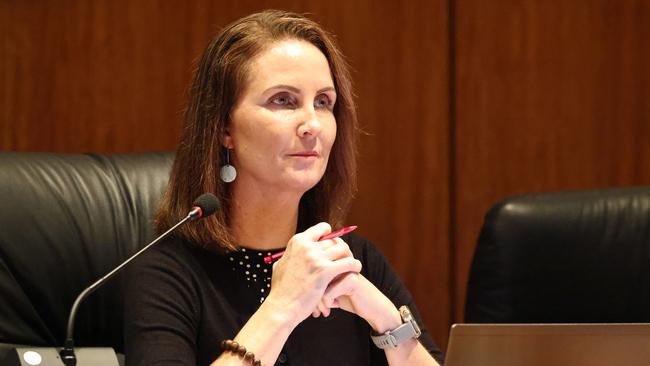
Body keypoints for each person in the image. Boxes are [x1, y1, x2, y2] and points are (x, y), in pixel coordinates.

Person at [124, 9, 444, 366]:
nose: (312, 124)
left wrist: (384, 319)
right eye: (283, 100)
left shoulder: (354, 260)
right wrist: (283, 306)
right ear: (223, 129)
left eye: (323, 102)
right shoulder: (167, 274)